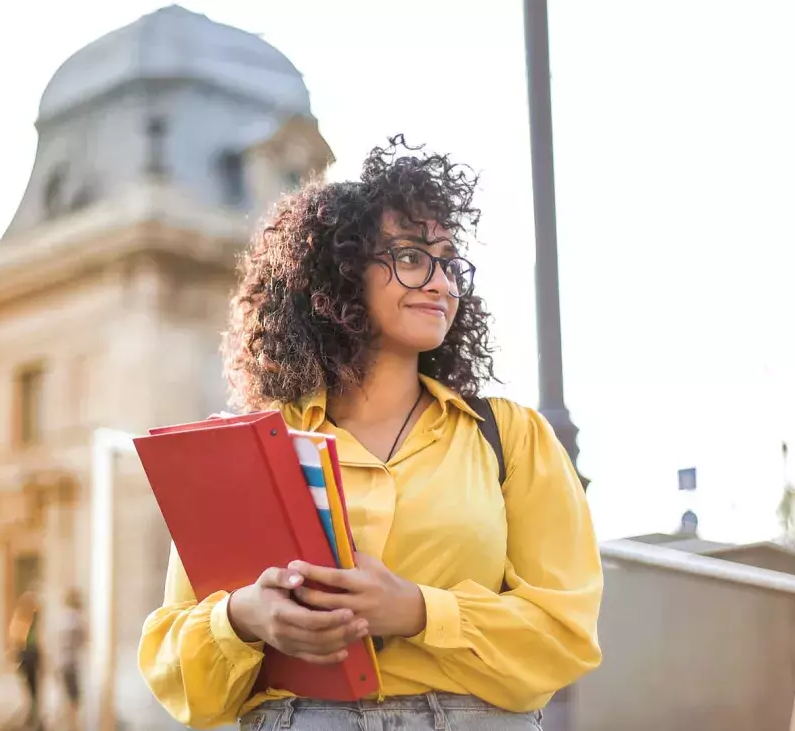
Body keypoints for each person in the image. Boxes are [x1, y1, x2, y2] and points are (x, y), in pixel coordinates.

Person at [138, 136, 602, 730]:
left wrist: (416, 611)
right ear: (340, 274)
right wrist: (244, 618)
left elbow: (566, 635)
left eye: (449, 260)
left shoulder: (510, 437)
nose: (441, 282)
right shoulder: (249, 449)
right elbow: (174, 670)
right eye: (411, 256)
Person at [8, 591, 42, 729]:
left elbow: (15, 637)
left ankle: (32, 713)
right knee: (33, 687)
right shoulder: (33, 618)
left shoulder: (21, 617)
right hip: (31, 655)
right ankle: (33, 714)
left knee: (29, 687)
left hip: (25, 654)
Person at [59, 589, 87, 729]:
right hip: (72, 663)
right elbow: (83, 639)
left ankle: (69, 725)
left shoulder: (63, 618)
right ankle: (73, 726)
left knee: (68, 697)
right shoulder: (76, 619)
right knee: (74, 699)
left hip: (63, 662)